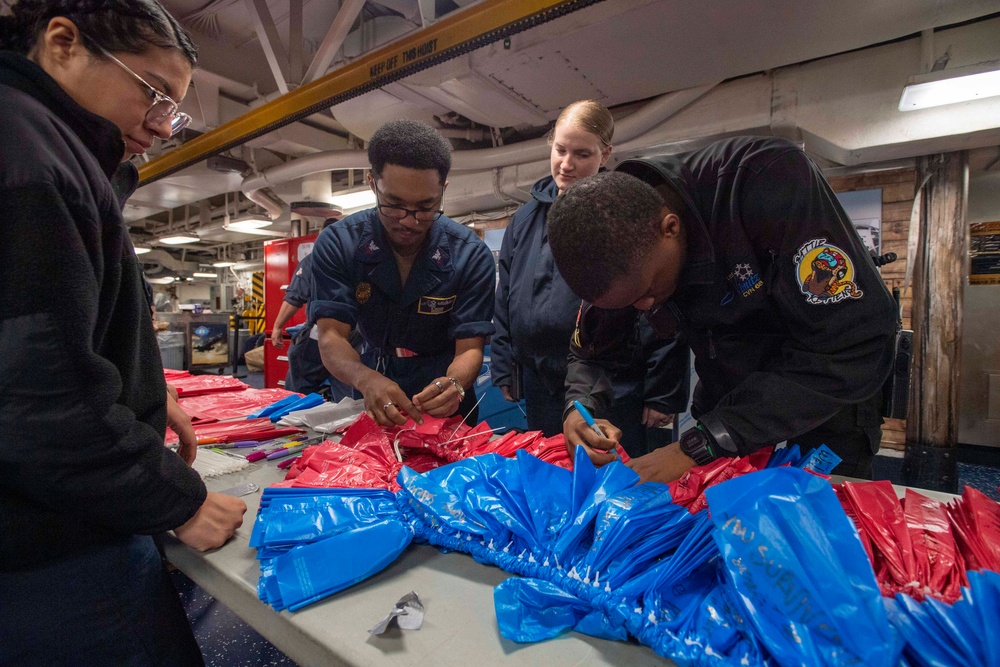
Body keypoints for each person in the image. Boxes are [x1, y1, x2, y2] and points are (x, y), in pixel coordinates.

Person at [0, 3, 246, 665]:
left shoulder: (49, 146)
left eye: (176, 108)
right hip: (49, 551)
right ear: (63, 43)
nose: (164, 125)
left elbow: (45, 337)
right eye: (155, 93)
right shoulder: (27, 155)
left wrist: (141, 384)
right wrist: (178, 498)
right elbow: (38, 403)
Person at [547, 137, 899, 481]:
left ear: (670, 228)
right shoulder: (611, 244)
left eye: (648, 293)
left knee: (817, 526)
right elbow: (592, 354)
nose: (643, 308)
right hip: (726, 394)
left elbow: (856, 342)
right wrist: (580, 409)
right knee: (704, 522)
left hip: (823, 393)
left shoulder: (767, 180)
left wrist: (699, 445)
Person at [491, 100, 687, 456]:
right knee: (552, 476)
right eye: (560, 150)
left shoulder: (624, 211)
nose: (566, 164)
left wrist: (663, 391)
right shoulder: (524, 220)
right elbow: (506, 295)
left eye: (581, 154)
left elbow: (660, 300)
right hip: (542, 384)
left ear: (605, 153)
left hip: (615, 385)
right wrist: (506, 366)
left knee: (622, 480)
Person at [310, 120, 495, 426]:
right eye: (394, 205)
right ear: (373, 184)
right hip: (373, 373)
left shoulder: (470, 255)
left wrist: (455, 384)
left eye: (426, 206)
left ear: (443, 190)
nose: (409, 222)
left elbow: (470, 347)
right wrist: (364, 379)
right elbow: (331, 335)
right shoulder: (339, 243)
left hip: (443, 383)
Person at [270, 248, 359, 399]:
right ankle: (346, 421)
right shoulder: (360, 260)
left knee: (297, 395)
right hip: (355, 336)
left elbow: (295, 297)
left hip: (319, 337)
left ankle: (295, 417)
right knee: (347, 395)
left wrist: (277, 326)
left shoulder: (316, 258)